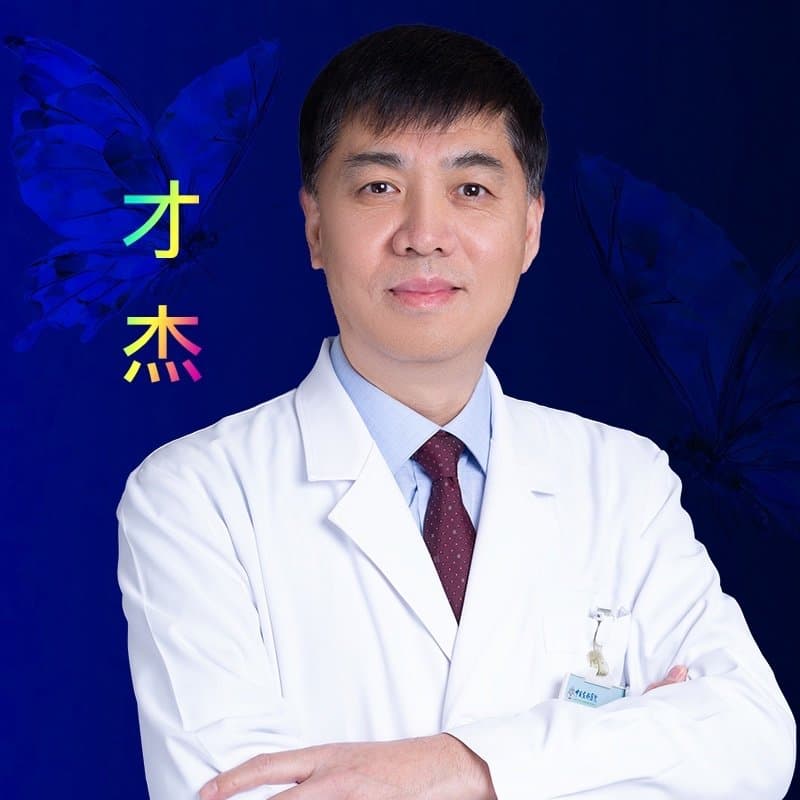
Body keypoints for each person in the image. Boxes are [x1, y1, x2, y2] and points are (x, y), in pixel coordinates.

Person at [116, 24, 795, 800]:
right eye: (379, 187)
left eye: (471, 190)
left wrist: (464, 764)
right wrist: (620, 749)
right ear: (314, 226)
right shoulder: (193, 496)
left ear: (530, 230)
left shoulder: (623, 479)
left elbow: (753, 741)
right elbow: (233, 792)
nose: (424, 236)